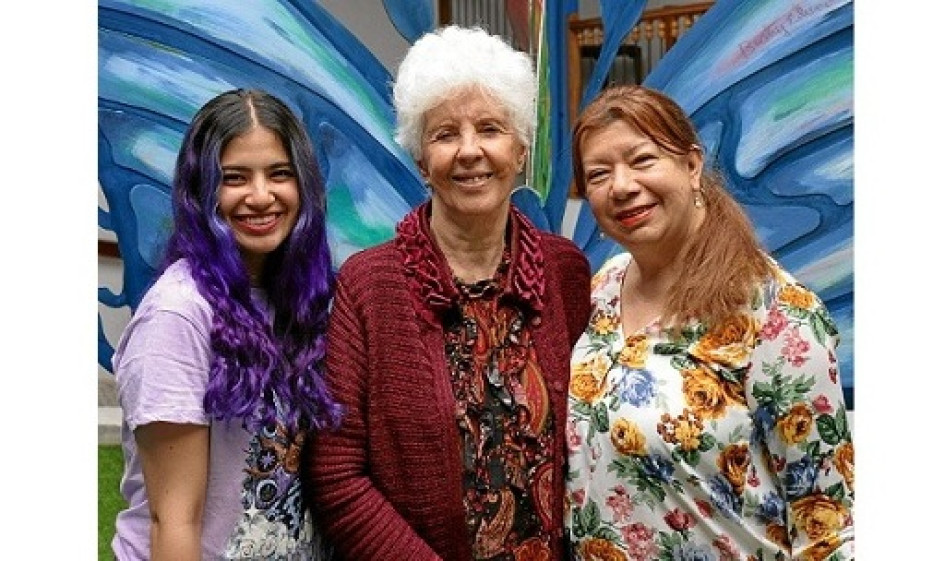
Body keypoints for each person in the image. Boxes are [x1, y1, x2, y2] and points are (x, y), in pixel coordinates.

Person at [304, 25, 591, 561]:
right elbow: (337, 472)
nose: (469, 151)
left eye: (489, 128)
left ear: (520, 148)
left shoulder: (564, 272)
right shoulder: (369, 286)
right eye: (444, 134)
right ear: (420, 160)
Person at [565, 85, 854, 561]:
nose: (621, 185)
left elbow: (830, 531)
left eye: (642, 160)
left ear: (692, 165)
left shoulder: (776, 313)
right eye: (599, 174)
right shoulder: (602, 288)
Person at [111, 89, 340, 560]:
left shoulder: (305, 302)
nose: (261, 196)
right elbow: (172, 521)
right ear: (201, 191)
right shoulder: (178, 315)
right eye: (234, 178)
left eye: (279, 174)